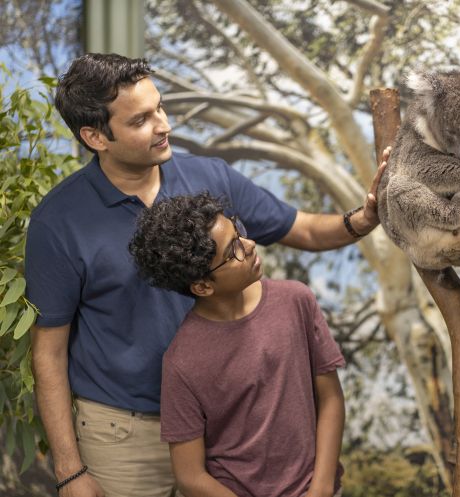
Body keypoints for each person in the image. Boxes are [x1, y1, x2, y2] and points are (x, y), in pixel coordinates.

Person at [26, 53, 386, 497]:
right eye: (141, 120)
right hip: (127, 436)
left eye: (159, 107)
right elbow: (49, 353)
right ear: (95, 136)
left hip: (232, 427)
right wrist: (70, 471)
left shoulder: (208, 177)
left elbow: (303, 228)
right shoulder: (57, 223)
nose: (163, 125)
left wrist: (364, 219)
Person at [128, 192, 345, 497]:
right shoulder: (181, 362)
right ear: (203, 286)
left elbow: (331, 400)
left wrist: (320, 489)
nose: (250, 244)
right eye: (233, 251)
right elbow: (190, 476)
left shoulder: (297, 300)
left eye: (238, 231)